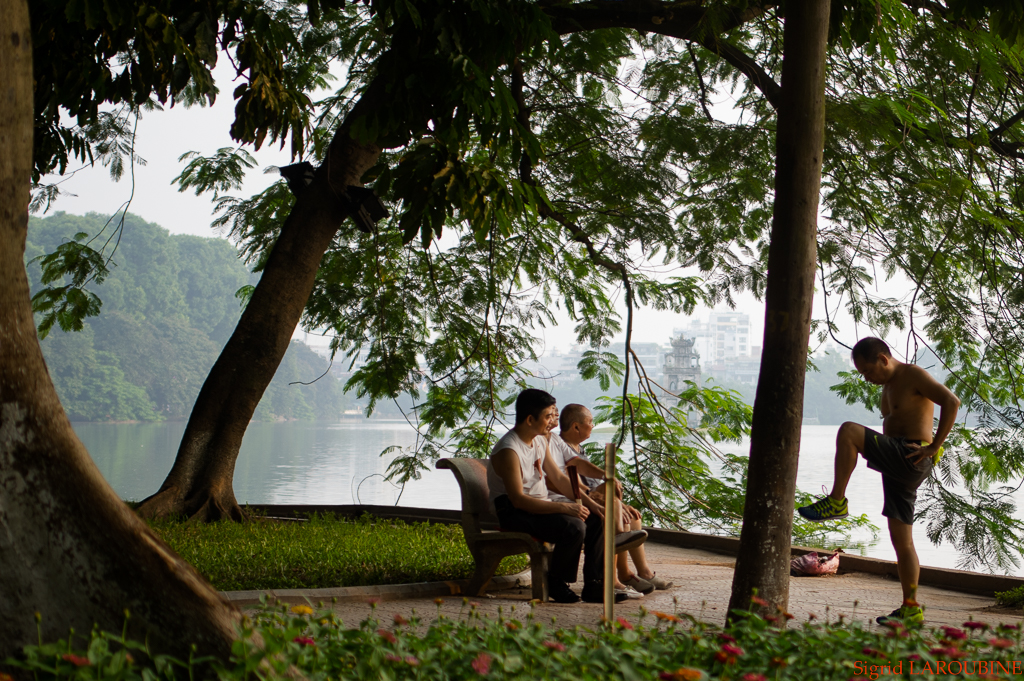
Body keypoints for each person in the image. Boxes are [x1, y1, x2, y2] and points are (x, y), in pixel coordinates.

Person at [797, 337, 960, 625]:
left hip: (909, 454)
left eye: (868, 371)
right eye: (862, 374)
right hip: (899, 461)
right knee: (903, 542)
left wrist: (934, 446)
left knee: (849, 431)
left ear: (884, 359)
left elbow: (951, 401)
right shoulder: (888, 385)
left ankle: (836, 501)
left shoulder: (913, 374)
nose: (866, 378)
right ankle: (911, 608)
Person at [490, 388, 647, 604]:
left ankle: (595, 584)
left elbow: (559, 477)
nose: (551, 421)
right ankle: (557, 581)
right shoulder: (509, 450)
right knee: (574, 526)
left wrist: (592, 505)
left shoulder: (538, 441)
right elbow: (518, 499)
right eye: (547, 416)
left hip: (537, 505)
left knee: (597, 519)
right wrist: (565, 508)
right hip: (513, 511)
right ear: (529, 419)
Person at [547, 403, 674, 597]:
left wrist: (614, 494)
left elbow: (584, 475)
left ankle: (636, 573)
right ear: (576, 426)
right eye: (590, 422)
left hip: (587, 496)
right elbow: (566, 482)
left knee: (632, 517)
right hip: (573, 499)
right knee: (615, 515)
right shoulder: (555, 444)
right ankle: (614, 578)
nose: (593, 425)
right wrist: (604, 497)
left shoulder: (575, 449)